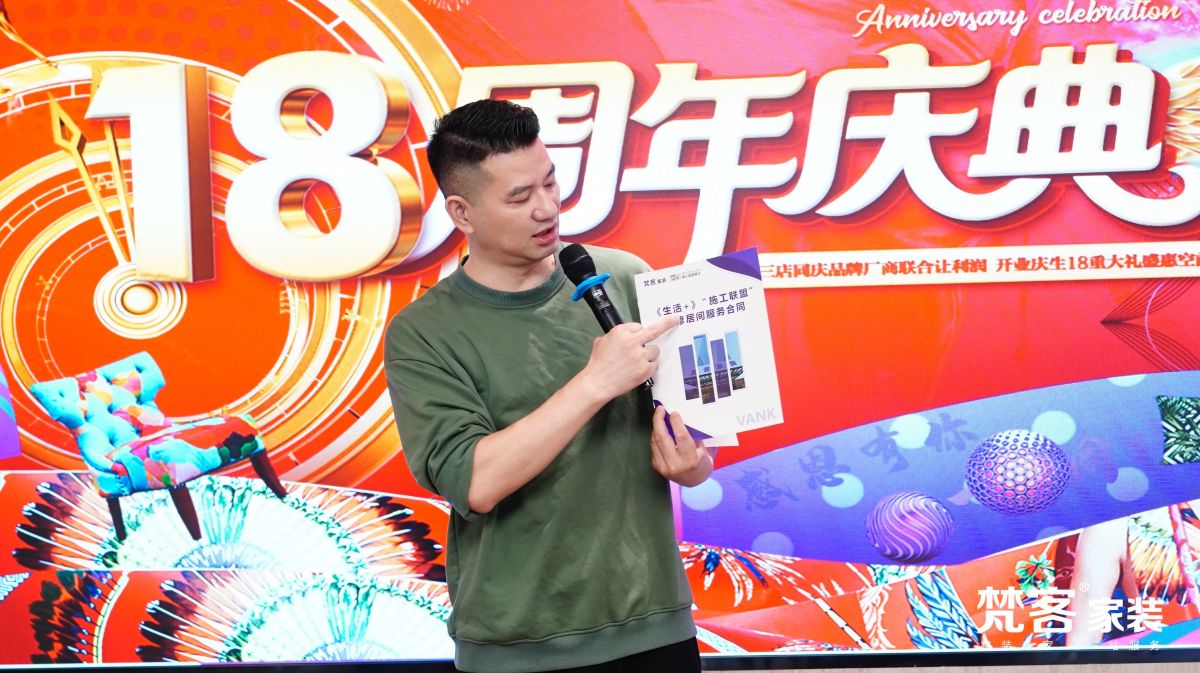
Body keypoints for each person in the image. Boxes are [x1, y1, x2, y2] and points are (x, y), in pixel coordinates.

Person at [383, 98, 713, 673]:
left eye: (550, 183)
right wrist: (594, 383)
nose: (546, 208)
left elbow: (694, 446)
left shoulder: (624, 277)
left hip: (653, 623)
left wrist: (692, 465)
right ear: (462, 212)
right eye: (519, 198)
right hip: (518, 645)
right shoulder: (424, 333)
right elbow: (476, 482)